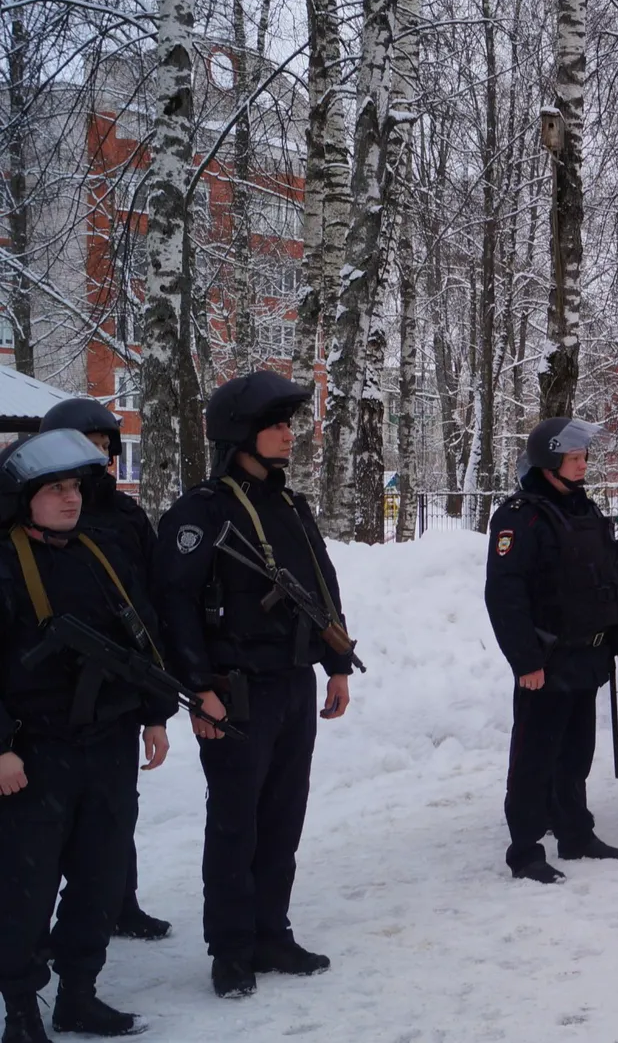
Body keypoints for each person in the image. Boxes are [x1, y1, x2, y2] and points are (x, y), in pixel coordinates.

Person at [151, 371, 357, 998]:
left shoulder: (290, 506)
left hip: (292, 682)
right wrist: (198, 688)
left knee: (283, 819)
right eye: (276, 425)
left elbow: (321, 585)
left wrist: (337, 663)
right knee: (235, 825)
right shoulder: (202, 511)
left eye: (289, 423)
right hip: (233, 691)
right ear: (240, 433)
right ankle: (232, 950)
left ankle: (271, 932)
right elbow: (174, 605)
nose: (289, 434)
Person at [0, 430, 173, 1041]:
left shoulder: (101, 552)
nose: (70, 498)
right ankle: (21, 1011)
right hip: (35, 751)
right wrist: (1, 747)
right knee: (25, 887)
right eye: (55, 489)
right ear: (24, 498)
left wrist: (156, 714)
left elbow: (142, 634)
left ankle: (78, 994)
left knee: (101, 876)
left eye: (74, 486)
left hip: (108, 743)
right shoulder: (5, 563)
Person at [37, 398, 170, 942]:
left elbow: (151, 600)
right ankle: (35, 934)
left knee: (115, 814)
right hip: (45, 700)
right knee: (45, 826)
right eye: (85, 445)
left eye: (103, 447)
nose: (97, 457)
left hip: (117, 685)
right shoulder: (36, 515)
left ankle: (119, 901)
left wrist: (155, 705)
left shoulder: (125, 515)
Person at [484, 418, 618, 883]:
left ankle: (575, 833)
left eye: (583, 457)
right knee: (534, 759)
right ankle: (526, 850)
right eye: (573, 458)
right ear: (548, 462)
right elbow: (505, 595)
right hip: (546, 663)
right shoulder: (521, 516)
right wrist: (525, 660)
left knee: (576, 754)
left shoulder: (584, 509)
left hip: (587, 657)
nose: (582, 465)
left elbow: (612, 580)